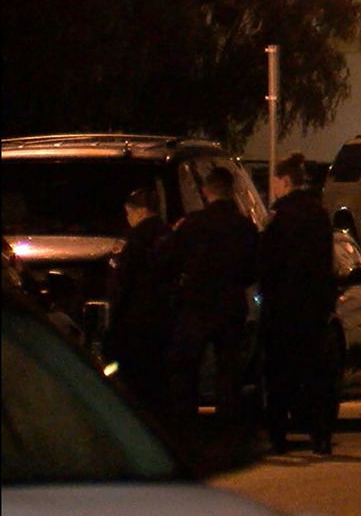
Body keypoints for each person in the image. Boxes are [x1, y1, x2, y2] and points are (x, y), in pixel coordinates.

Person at [161, 167, 258, 431]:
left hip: (197, 304)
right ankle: (227, 422)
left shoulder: (194, 224)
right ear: (231, 191)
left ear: (206, 191)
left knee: (187, 365)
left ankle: (186, 423)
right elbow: (253, 269)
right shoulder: (244, 227)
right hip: (231, 304)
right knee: (228, 367)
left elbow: (170, 259)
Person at [259, 152, 339, 455]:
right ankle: (321, 435)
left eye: (275, 182)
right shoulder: (319, 214)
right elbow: (326, 262)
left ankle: (278, 436)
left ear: (284, 181)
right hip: (314, 307)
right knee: (316, 374)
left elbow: (267, 260)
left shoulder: (279, 217)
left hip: (282, 307)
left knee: (279, 374)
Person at [106, 187, 172, 416]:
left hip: (134, 319)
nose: (128, 218)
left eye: (129, 213)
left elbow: (120, 281)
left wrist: (113, 317)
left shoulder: (133, 239)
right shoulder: (171, 236)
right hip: (165, 317)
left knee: (132, 378)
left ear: (140, 211)